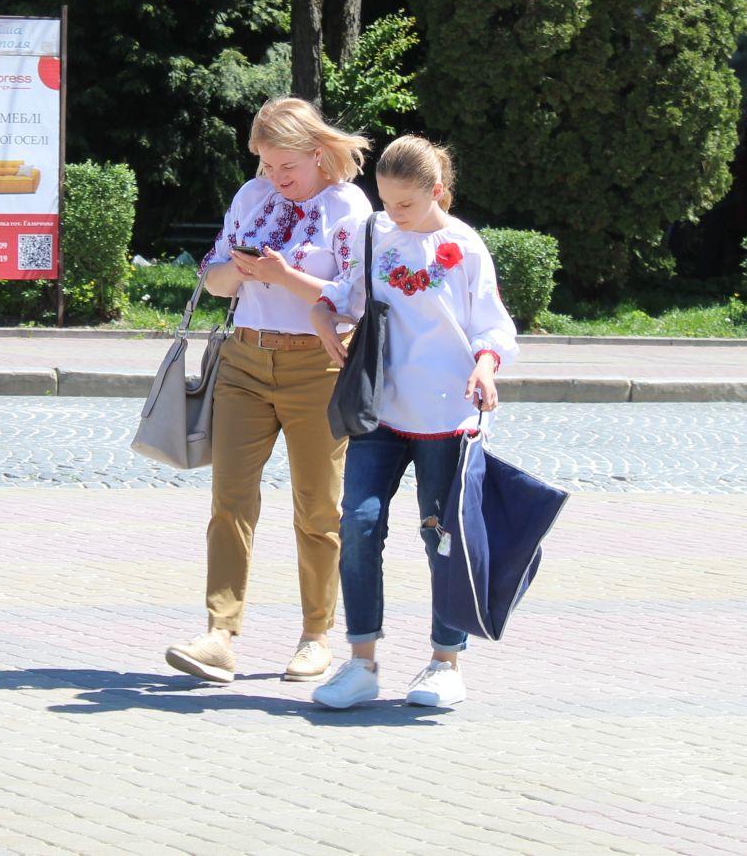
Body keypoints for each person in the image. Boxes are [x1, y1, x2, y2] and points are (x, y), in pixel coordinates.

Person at [163, 97, 373, 687]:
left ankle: (316, 636)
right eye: (267, 165)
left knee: (317, 508)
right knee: (229, 501)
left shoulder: (347, 206)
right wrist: (237, 271)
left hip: (316, 367)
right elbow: (212, 277)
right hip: (245, 359)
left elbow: (354, 296)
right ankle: (219, 634)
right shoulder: (250, 198)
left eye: (288, 166)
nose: (277, 178)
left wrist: (284, 276)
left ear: (318, 153)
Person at [304, 135, 517, 711]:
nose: (392, 213)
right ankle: (362, 662)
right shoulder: (375, 233)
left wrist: (486, 367)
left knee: (440, 537)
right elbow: (348, 295)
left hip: (449, 415)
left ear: (436, 192)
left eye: (405, 204)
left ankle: (445, 661)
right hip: (381, 406)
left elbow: (493, 326)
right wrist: (324, 316)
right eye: (385, 201)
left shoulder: (466, 246)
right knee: (359, 524)